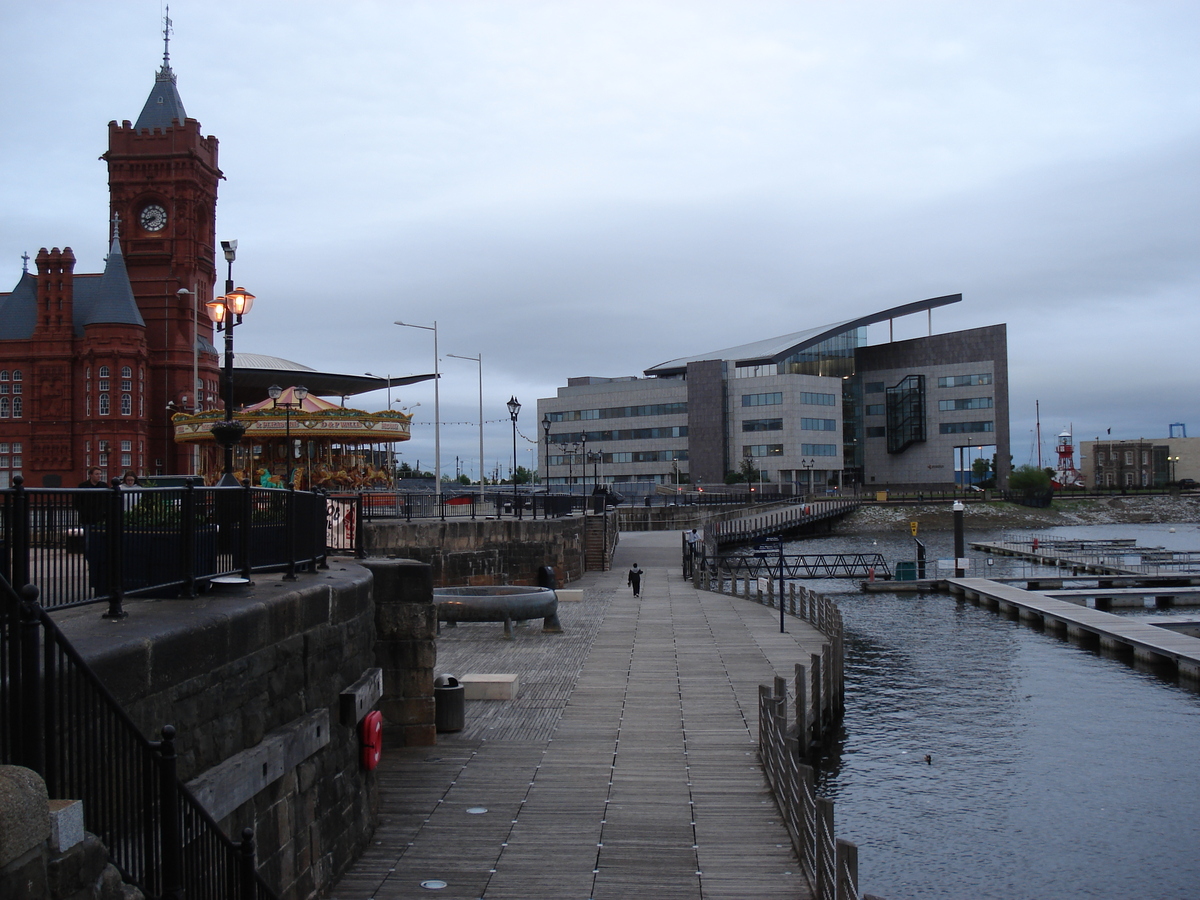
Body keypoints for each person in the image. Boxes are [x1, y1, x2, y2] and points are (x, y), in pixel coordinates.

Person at [74, 466, 110, 593]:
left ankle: (97, 563)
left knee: (100, 543)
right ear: (90, 475)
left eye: (100, 474)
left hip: (100, 521)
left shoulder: (104, 486)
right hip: (87, 520)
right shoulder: (83, 486)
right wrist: (85, 513)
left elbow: (107, 502)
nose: (99, 476)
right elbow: (77, 503)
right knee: (88, 544)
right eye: (96, 474)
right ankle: (91, 563)